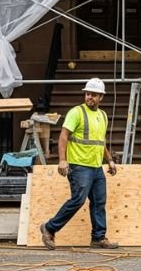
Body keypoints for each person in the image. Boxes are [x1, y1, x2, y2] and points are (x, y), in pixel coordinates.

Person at [40, 77, 119, 250]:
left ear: (101, 97)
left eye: (94, 95)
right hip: (79, 166)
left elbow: (100, 142)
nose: (89, 97)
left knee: (99, 202)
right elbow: (63, 136)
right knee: (78, 199)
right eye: (88, 94)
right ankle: (49, 227)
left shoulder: (103, 115)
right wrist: (62, 160)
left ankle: (99, 237)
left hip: (96, 167)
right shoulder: (76, 112)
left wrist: (110, 160)